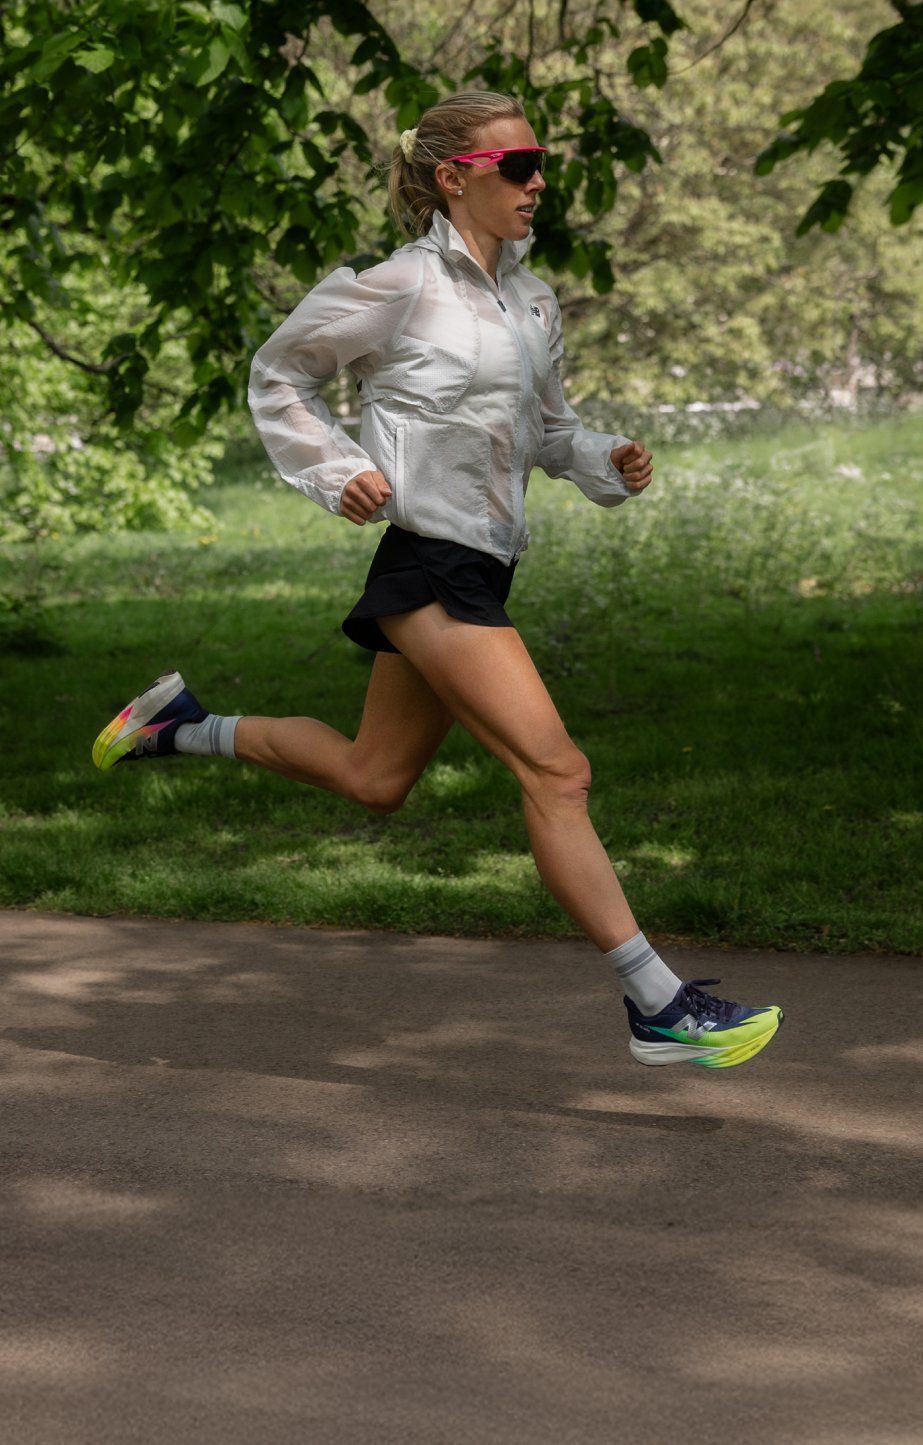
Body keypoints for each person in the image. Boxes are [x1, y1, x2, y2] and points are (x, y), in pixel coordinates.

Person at [92, 90, 783, 1069]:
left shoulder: (531, 300)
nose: (536, 181)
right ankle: (657, 1003)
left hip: (480, 561)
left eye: (539, 164)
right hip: (428, 558)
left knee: (376, 778)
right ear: (455, 176)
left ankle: (178, 725)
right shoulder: (399, 284)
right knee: (557, 771)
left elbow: (543, 428)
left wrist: (604, 458)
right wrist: (337, 470)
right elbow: (279, 372)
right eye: (517, 165)